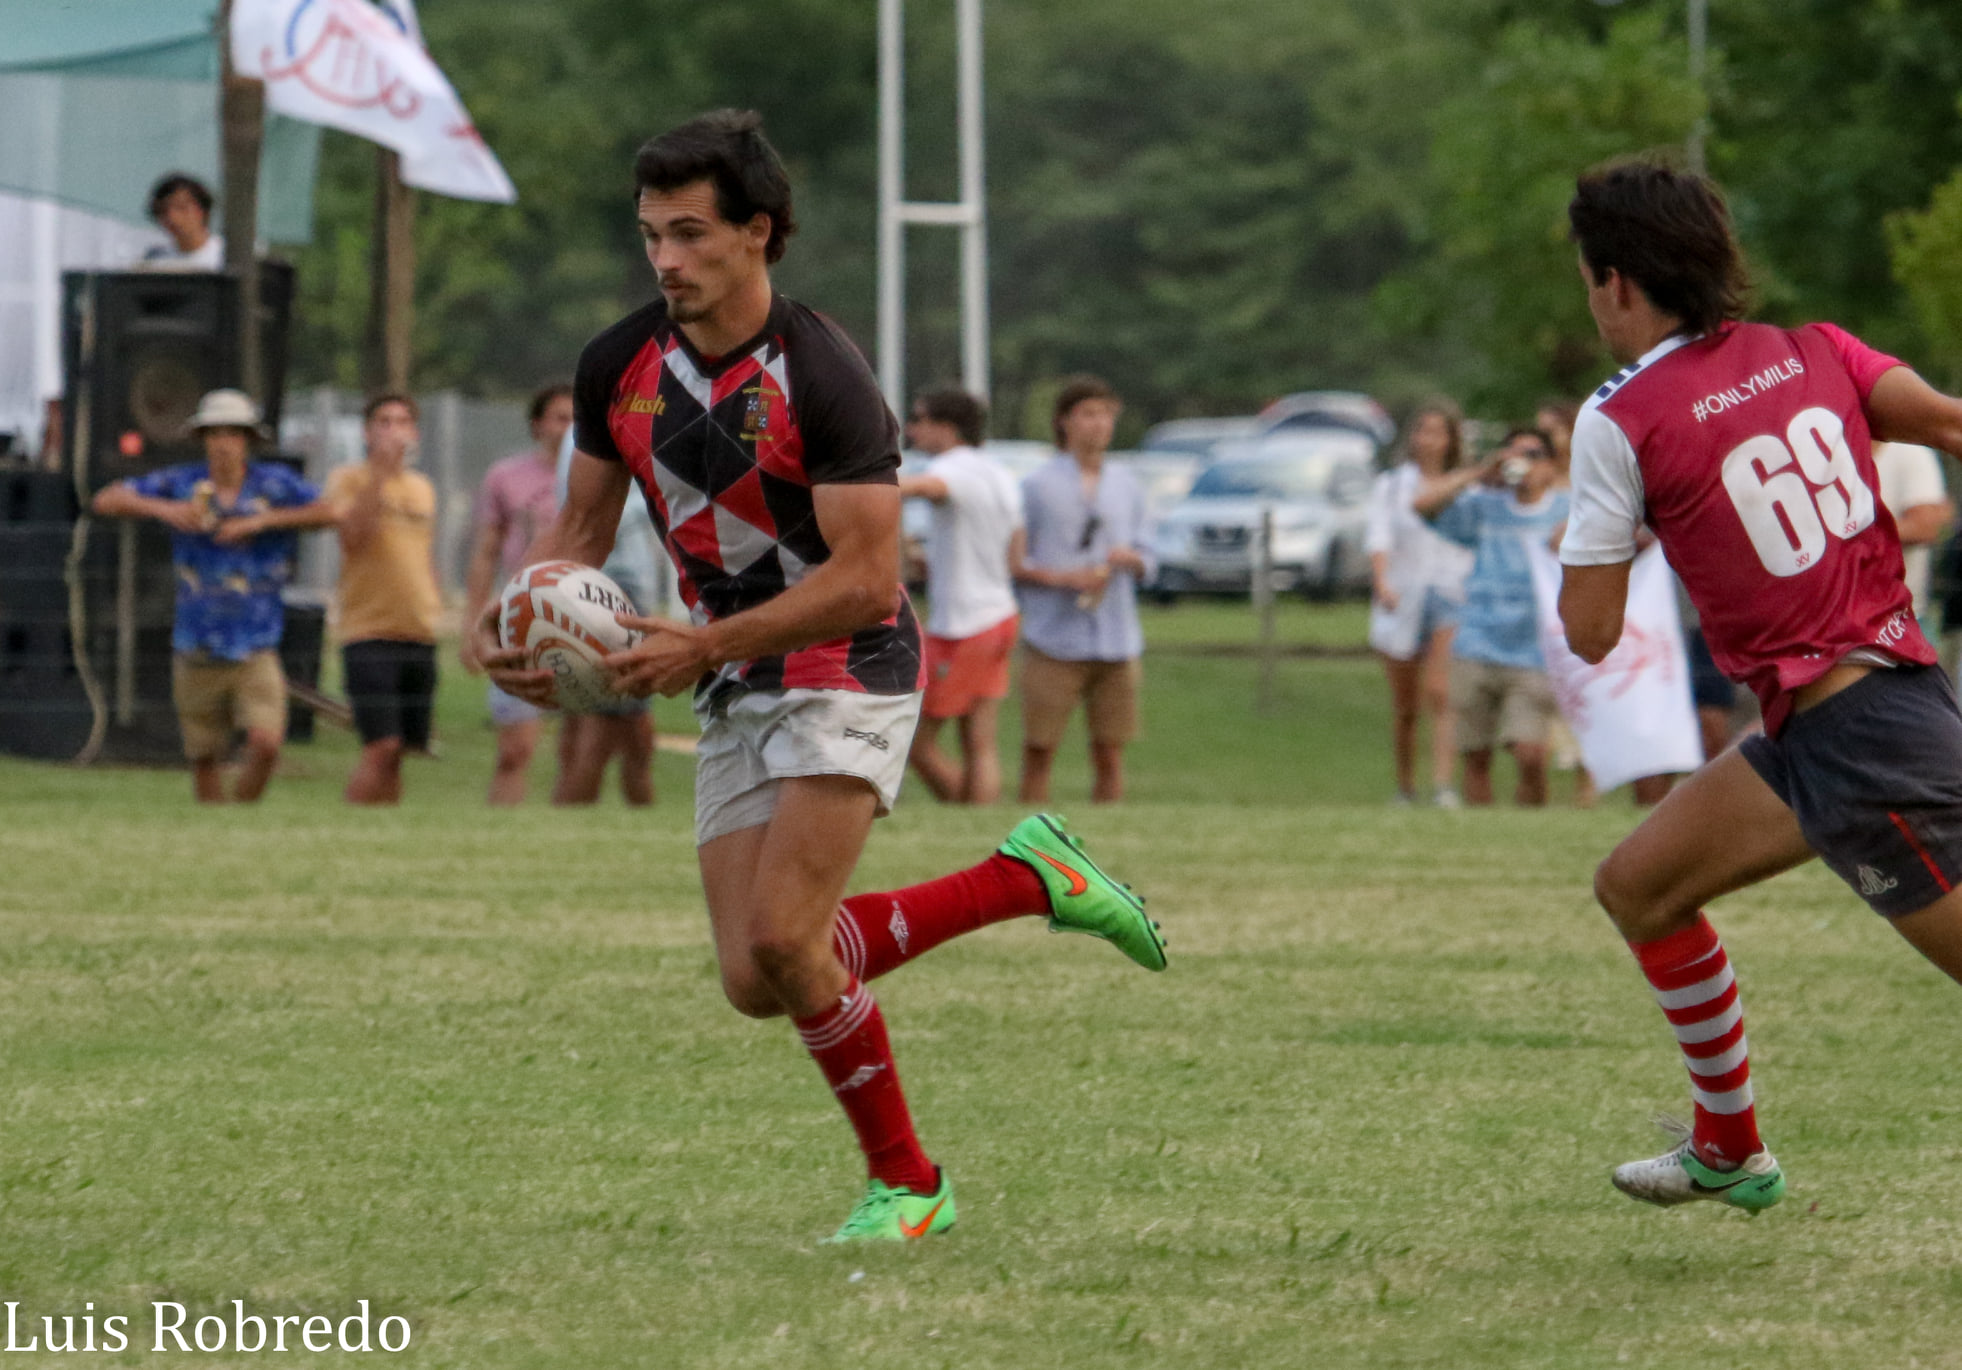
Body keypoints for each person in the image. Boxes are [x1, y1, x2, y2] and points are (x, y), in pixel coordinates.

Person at [474, 110, 1166, 1244]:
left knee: (791, 940)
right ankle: (1024, 877)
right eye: (651, 234)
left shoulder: (825, 372)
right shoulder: (618, 365)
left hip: (852, 659)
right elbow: (578, 533)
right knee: (756, 974)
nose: (665, 259)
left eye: (691, 234)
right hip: (732, 675)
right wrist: (505, 626)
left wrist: (697, 644)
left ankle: (910, 1181)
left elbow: (865, 578)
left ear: (761, 233)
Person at [1558, 158, 1962, 1214]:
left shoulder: (1621, 418)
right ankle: (1730, 1145)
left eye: (1589, 282)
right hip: (1854, 710)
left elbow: (1590, 631)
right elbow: (1954, 424)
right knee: (1641, 884)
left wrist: (1626, 521)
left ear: (1618, 285)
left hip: (1862, 747)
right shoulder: (1814, 349)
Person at [89, 389, 336, 801]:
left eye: (234, 433)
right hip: (196, 639)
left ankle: (242, 809)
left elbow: (330, 512)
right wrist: (165, 511)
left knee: (266, 741)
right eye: (215, 433)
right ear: (202, 438)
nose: (224, 442)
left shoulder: (274, 486)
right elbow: (107, 498)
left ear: (248, 440)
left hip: (255, 641)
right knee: (204, 754)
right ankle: (215, 828)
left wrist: (263, 523)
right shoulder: (182, 483)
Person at [1011, 376, 1152, 805]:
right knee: (1040, 748)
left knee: (1110, 749)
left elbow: (1151, 553)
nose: (1100, 424)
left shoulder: (1127, 483)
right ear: (1064, 422)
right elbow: (1015, 563)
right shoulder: (1036, 486)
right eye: (1089, 414)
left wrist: (1133, 559)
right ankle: (1031, 838)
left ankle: (1110, 830)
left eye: (1107, 414)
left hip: (1116, 638)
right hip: (1053, 638)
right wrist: (1062, 578)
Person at [1414, 427, 1569, 806]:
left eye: (1532, 454)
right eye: (1514, 453)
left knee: (1531, 754)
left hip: (1535, 651)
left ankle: (1530, 824)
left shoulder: (1566, 509)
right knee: (1476, 755)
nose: (1522, 463)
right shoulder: (1485, 505)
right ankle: (1485, 831)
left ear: (1550, 465)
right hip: (1478, 643)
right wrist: (1480, 472)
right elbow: (1423, 504)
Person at [897, 386, 1022, 805]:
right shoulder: (999, 473)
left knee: (917, 743)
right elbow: (1012, 545)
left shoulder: (954, 469)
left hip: (965, 623)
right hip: (1000, 612)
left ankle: (965, 813)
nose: (912, 431)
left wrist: (860, 475)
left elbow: (920, 488)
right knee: (978, 742)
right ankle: (978, 819)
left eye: (919, 421)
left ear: (946, 429)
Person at [460, 383, 574, 805]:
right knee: (515, 749)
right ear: (537, 425)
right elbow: (486, 552)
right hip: (519, 621)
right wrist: (474, 624)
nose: (571, 428)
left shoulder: (599, 476)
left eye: (579, 418)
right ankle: (500, 834)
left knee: (584, 748)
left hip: (581, 620)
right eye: (562, 417)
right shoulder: (506, 476)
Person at [326, 394, 442, 806]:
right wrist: (378, 472)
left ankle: (385, 829)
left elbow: (423, 555)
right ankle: (347, 820)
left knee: (404, 751)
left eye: (402, 421)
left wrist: (436, 607)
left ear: (415, 432)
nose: (393, 430)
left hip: (418, 631)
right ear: (367, 431)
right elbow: (353, 537)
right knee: (381, 745)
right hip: (368, 630)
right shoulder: (349, 479)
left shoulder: (423, 489)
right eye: (383, 421)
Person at [1365, 399, 1474, 807]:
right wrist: (1381, 581)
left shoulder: (1466, 486)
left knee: (1441, 693)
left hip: (1450, 591)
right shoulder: (1392, 486)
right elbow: (1379, 537)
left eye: (1438, 432)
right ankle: (1405, 784)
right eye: (1423, 431)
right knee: (1406, 705)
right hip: (1403, 593)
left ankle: (1444, 785)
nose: (1429, 440)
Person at [552, 426, 659, 808]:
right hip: (608, 590)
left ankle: (637, 820)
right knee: (602, 722)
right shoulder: (594, 425)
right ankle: (570, 832)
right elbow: (586, 507)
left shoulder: (613, 417)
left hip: (619, 590)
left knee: (631, 731)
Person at [1871, 440, 1953, 631]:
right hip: (1833, 619)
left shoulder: (1910, 453)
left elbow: (1926, 526)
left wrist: (1844, 537)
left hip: (1899, 618)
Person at [139, 173, 224, 271]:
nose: (172, 217)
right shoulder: (155, 260)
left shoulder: (225, 255)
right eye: (163, 211)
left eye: (181, 208)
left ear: (202, 210)